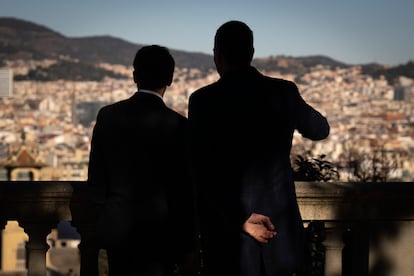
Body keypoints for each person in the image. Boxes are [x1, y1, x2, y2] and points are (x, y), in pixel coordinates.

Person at [188, 20, 330, 276]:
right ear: (252, 54)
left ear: (217, 55)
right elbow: (320, 130)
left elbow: (201, 173)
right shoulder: (283, 92)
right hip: (279, 233)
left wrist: (239, 220)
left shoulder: (202, 101)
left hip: (228, 238)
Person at [87, 45, 195, 276]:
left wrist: (102, 217)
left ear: (134, 75)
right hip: (162, 236)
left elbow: (96, 177)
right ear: (171, 79)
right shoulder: (180, 126)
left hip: (117, 232)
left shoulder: (108, 116)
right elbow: (185, 190)